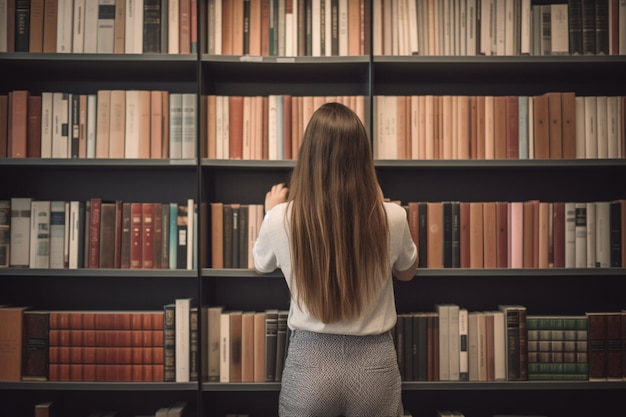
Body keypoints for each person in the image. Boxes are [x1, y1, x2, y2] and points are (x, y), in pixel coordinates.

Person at [253, 102, 418, 417]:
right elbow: (408, 273)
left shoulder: (279, 219)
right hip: (374, 365)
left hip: (310, 363)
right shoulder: (393, 217)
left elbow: (261, 264)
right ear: (361, 158)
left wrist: (271, 211)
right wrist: (381, 205)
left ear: (310, 156)